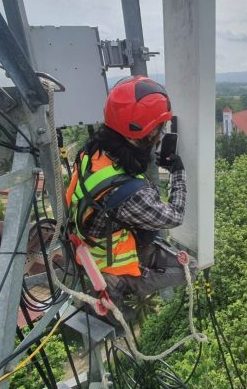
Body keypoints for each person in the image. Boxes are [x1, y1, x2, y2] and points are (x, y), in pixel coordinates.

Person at [65, 75, 190, 312]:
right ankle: (123, 283)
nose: (160, 135)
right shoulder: (129, 192)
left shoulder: (93, 152)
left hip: (88, 237)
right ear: (144, 135)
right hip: (109, 260)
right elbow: (175, 216)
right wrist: (178, 173)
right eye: (159, 129)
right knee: (188, 269)